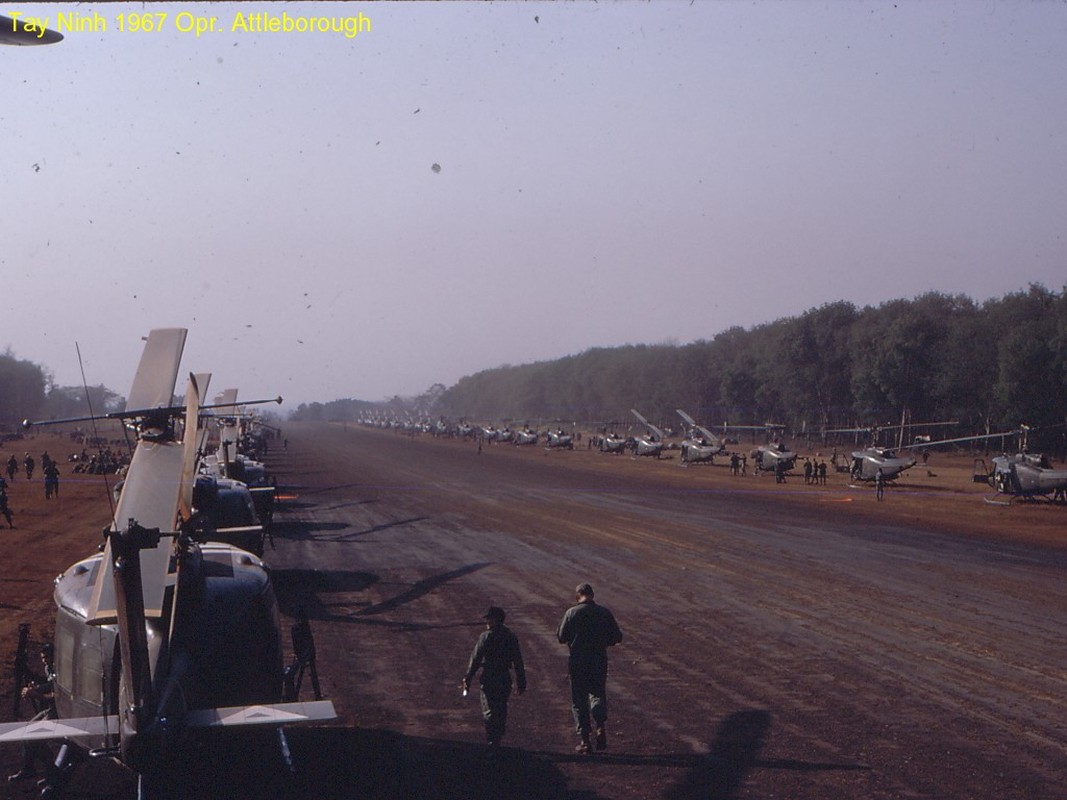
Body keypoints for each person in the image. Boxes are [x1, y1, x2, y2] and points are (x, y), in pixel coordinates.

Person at [557, 583, 623, 754]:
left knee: (579, 701)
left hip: (578, 661)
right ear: (592, 595)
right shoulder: (604, 613)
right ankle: (600, 725)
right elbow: (617, 637)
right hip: (599, 660)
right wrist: (603, 643)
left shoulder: (571, 613)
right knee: (598, 693)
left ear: (578, 596)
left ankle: (585, 741)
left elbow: (561, 637)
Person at [462, 606, 526, 750]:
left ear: (497, 619)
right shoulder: (511, 636)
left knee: (489, 710)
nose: (487, 621)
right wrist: (521, 681)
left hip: (490, 677)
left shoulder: (486, 636)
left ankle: (493, 741)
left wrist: (468, 677)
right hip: (504, 677)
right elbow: (518, 661)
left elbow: (476, 658)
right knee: (501, 708)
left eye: (489, 618)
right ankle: (498, 735)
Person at [8, 643, 57, 783]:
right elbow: (50, 684)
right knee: (26, 732)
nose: (44, 660)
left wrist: (36, 694)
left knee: (35, 739)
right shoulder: (49, 667)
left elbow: (58, 692)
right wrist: (37, 687)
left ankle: (52, 771)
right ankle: (29, 768)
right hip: (51, 709)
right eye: (43, 658)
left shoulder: (60, 669)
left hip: (59, 712)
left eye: (47, 657)